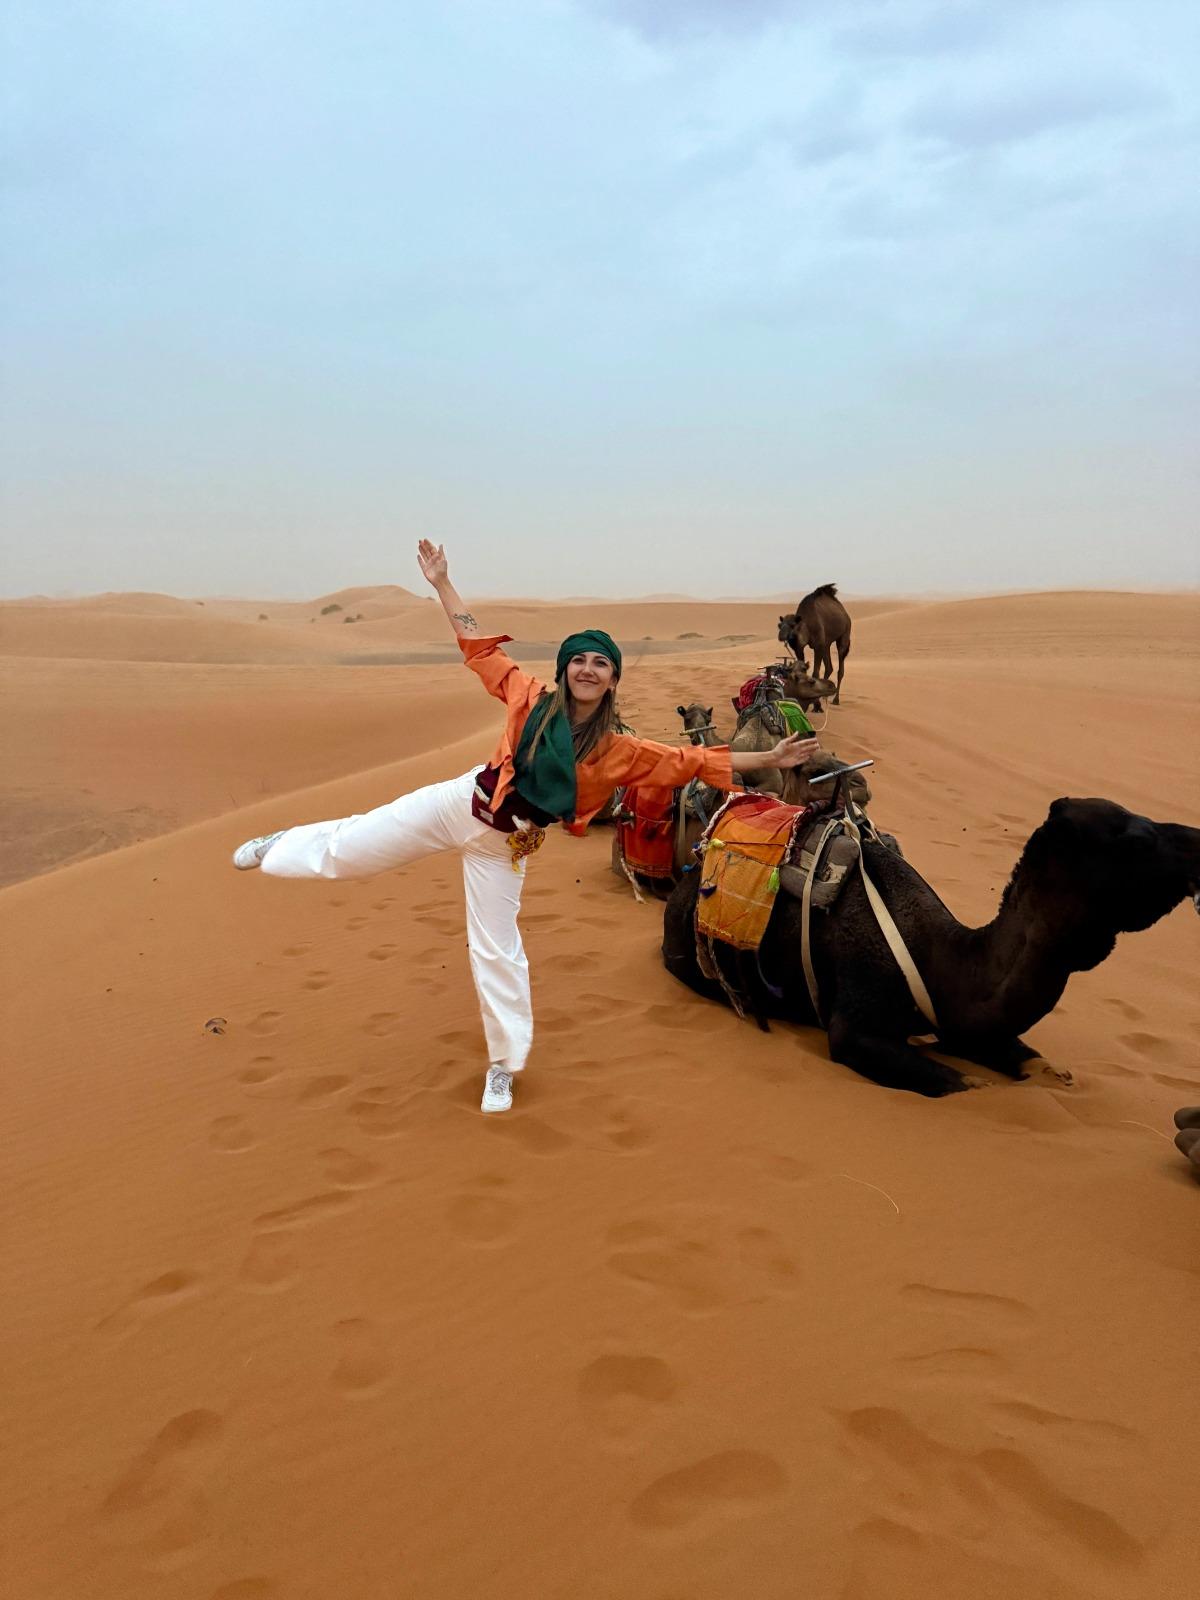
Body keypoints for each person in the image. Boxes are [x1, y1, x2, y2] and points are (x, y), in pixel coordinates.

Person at [231, 542, 819, 1113]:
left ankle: (503, 1067)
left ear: (613, 680)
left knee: (498, 953)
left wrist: (771, 758)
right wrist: (443, 583)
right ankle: (279, 845)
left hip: (506, 847)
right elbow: (477, 646)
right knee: (352, 848)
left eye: (601, 663)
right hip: (459, 805)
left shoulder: (621, 750)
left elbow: (691, 761)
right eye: (579, 660)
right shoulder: (529, 697)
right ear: (565, 670)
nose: (588, 669)